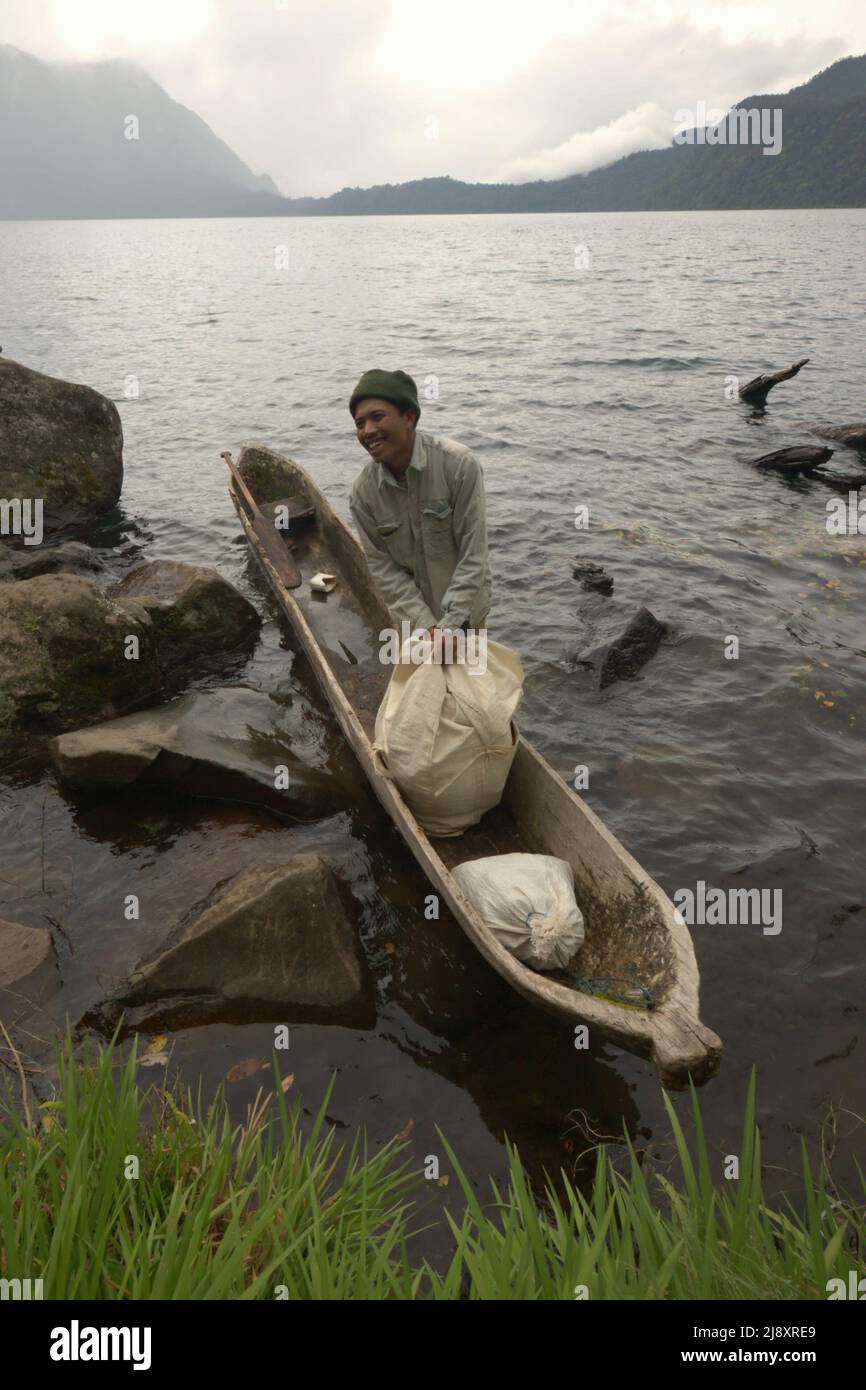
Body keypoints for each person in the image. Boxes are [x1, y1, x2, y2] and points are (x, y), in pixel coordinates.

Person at [348, 368, 491, 660]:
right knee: (424, 697)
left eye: (377, 417)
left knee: (473, 697)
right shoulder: (363, 495)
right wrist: (427, 627)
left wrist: (450, 627)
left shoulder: (458, 466)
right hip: (415, 624)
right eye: (360, 423)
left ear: (409, 417)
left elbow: (473, 554)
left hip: (466, 614)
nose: (367, 431)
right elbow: (384, 570)